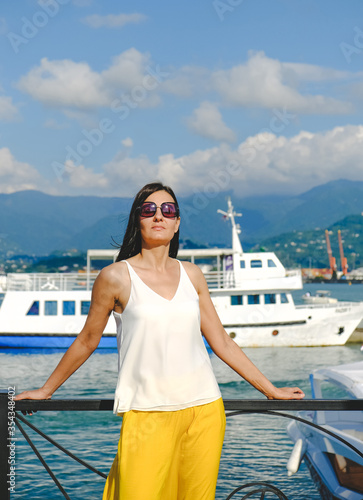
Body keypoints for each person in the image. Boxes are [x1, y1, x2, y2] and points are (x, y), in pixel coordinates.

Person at [15, 182, 305, 500]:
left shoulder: (193, 275)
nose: (158, 216)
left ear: (177, 222)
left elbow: (221, 340)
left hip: (204, 412)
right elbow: (87, 340)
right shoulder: (114, 277)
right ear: (137, 220)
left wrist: (271, 390)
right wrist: (47, 390)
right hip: (146, 413)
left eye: (168, 210)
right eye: (149, 209)